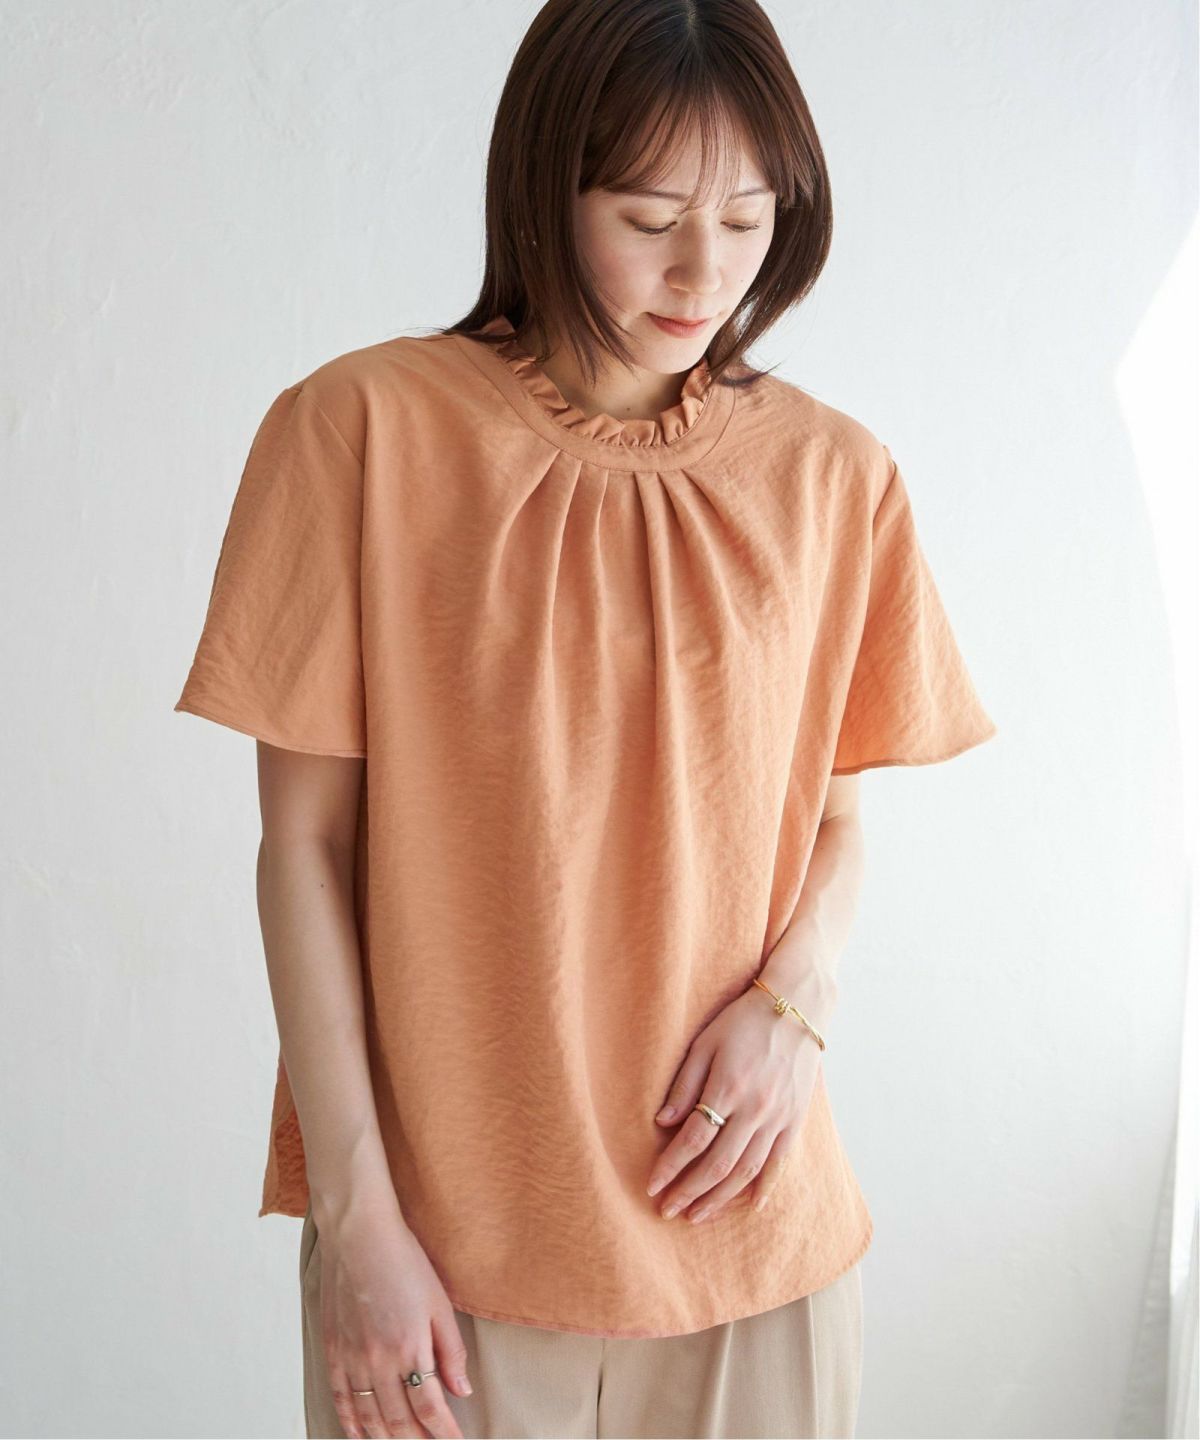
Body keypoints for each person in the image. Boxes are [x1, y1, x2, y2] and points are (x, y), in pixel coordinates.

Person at [174, 2, 997, 1436]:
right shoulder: (362, 431)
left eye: (747, 220)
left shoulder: (833, 476)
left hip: (754, 1238)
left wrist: (795, 1011)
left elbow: (835, 819)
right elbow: (302, 850)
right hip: (443, 1261)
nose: (704, 272)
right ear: (545, 188)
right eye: (650, 217)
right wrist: (358, 1220)